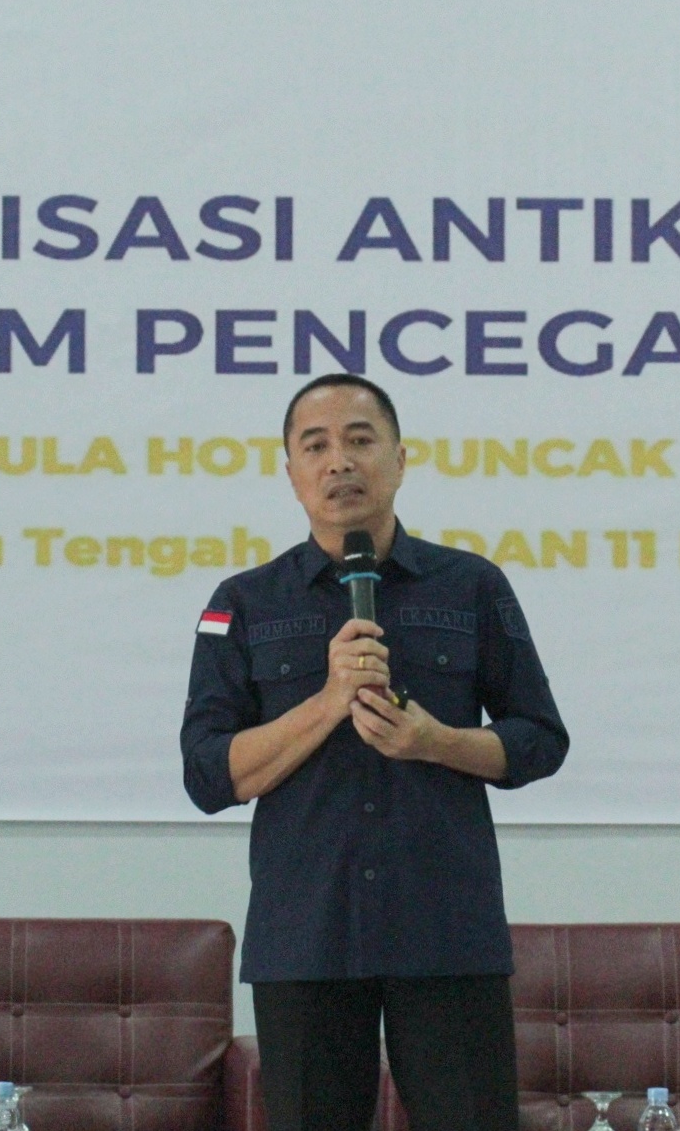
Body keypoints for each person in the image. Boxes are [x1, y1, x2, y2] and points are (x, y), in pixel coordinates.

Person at [181, 373, 570, 1131]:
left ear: (399, 459)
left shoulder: (472, 586)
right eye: (315, 446)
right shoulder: (244, 601)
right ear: (290, 471)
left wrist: (439, 742)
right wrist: (328, 700)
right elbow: (207, 773)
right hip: (306, 934)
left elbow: (540, 739)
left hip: (446, 929)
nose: (339, 462)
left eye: (360, 440)